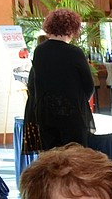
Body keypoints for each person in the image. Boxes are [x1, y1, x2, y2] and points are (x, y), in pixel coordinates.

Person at [23, 8, 94, 152]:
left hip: (45, 114)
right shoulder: (75, 53)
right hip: (71, 114)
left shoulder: (39, 51)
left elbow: (36, 84)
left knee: (52, 158)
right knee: (74, 158)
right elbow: (89, 86)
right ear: (71, 29)